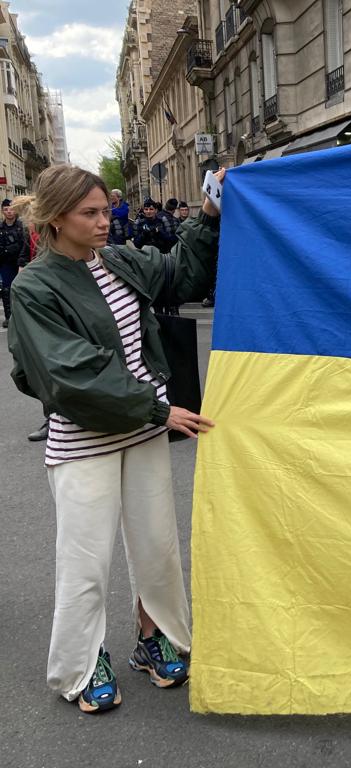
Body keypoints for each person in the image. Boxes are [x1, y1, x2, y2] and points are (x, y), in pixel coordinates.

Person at [6, 163, 224, 714]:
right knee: (85, 562)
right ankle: (83, 663)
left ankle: (154, 639)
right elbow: (68, 375)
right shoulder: (34, 286)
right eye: (90, 213)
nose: (105, 222)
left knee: (157, 546)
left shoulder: (119, 260)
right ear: (56, 219)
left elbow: (182, 275)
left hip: (144, 430)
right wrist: (158, 408)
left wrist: (208, 212)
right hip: (87, 442)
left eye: (106, 211)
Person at [1, 197, 30, 328]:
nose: (9, 211)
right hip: (5, 263)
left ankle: (24, 316)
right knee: (7, 290)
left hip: (21, 262)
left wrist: (22, 261)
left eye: (11, 209)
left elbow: (26, 244)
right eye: (6, 209)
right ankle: (9, 317)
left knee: (23, 289)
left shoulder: (22, 226)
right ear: (2, 211)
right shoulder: (1, 228)